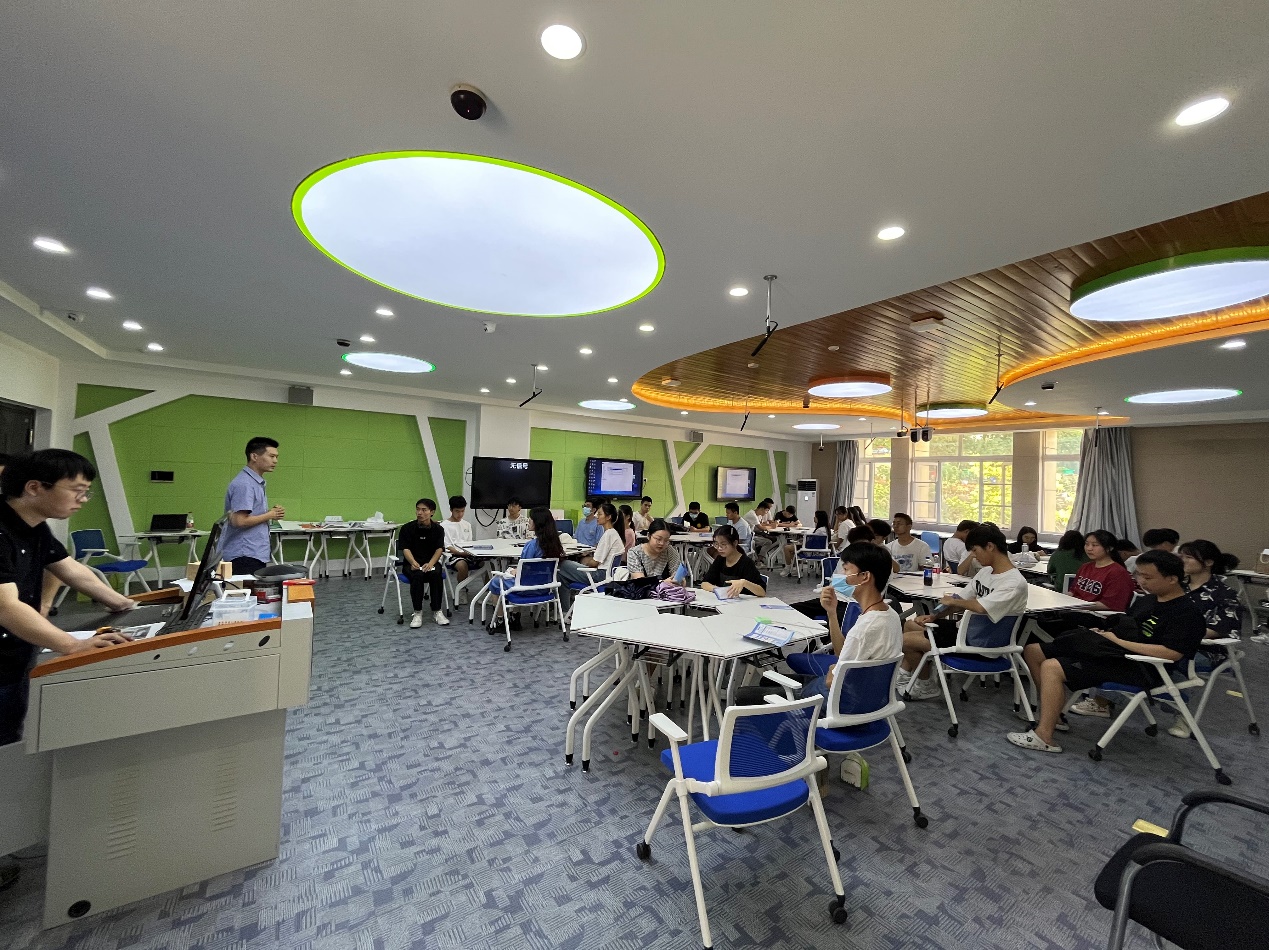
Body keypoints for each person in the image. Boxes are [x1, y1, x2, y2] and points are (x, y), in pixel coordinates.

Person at [0, 450, 139, 891]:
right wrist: (71, 645)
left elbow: (74, 572)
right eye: (77, 491)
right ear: (34, 488)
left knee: (6, 740)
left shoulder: (35, 527)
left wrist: (125, 603)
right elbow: (5, 606)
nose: (82, 500)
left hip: (14, 658)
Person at [1008, 551, 1205, 754]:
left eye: (1148, 577)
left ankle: (1044, 736)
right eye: (1139, 575)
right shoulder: (1148, 600)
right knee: (1033, 651)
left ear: (1172, 579)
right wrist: (1106, 633)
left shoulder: (1186, 614)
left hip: (1144, 667)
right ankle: (1053, 715)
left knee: (1052, 667)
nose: (1141, 581)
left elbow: (1171, 653)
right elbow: (1128, 626)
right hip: (1116, 652)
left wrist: (1117, 641)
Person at [750, 542, 903, 705]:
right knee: (768, 682)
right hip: (866, 696)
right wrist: (831, 613)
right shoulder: (889, 614)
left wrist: (833, 669)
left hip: (841, 702)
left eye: (846, 569)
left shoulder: (866, 628)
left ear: (865, 576)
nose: (841, 575)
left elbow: (832, 681)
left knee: (746, 696)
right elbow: (842, 653)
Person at [897, 523, 1030, 700]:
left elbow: (981, 607)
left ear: (990, 546)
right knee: (911, 625)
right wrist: (934, 616)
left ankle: (926, 685)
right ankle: (911, 674)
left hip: (980, 643)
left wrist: (953, 601)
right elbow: (961, 599)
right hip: (966, 632)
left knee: (905, 640)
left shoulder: (1013, 582)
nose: (973, 556)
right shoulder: (986, 572)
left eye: (975, 550)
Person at [1168, 539, 1243, 738]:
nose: (1183, 561)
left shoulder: (1224, 594)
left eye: (1189, 557)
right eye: (1182, 556)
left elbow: (1219, 628)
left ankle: (1183, 713)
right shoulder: (1177, 587)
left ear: (1208, 562)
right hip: (1172, 641)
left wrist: (1178, 635)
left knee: (1174, 658)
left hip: (1208, 650)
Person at [221, 436, 285, 576]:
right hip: (244, 554)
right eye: (271, 456)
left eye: (276, 457)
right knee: (244, 589)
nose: (275, 461)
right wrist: (270, 515)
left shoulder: (255, 482)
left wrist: (270, 513)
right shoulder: (245, 484)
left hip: (252, 553)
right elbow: (240, 521)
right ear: (254, 456)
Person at [398, 498, 448, 628]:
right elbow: (405, 549)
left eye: (424, 510)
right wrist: (413, 562)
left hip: (430, 562)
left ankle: (437, 611)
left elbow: (439, 549)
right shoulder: (407, 528)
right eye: (418, 509)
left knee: (436, 574)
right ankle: (417, 612)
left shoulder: (438, 529)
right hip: (411, 563)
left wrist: (431, 563)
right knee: (417, 575)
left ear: (432, 512)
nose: (420, 513)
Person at [700, 524, 766, 598]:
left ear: (735, 543)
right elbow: (705, 583)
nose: (719, 548)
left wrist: (744, 583)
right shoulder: (720, 559)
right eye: (716, 544)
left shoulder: (746, 563)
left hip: (743, 603)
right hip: (724, 602)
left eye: (723, 544)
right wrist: (718, 590)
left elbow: (762, 592)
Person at [440, 495, 484, 588]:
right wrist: (460, 553)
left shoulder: (467, 524)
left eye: (462, 511)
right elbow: (447, 546)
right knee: (462, 565)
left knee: (490, 563)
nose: (460, 514)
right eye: (457, 511)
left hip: (468, 553)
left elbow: (470, 543)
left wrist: (471, 552)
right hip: (453, 555)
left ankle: (489, 591)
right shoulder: (443, 526)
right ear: (451, 510)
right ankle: (461, 590)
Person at [784, 508, 830, 576]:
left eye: (815, 516)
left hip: (811, 551)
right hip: (821, 551)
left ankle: (788, 568)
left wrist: (801, 542)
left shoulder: (819, 530)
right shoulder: (825, 529)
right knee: (793, 549)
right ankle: (795, 569)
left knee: (787, 548)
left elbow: (811, 542)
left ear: (819, 518)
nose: (814, 518)